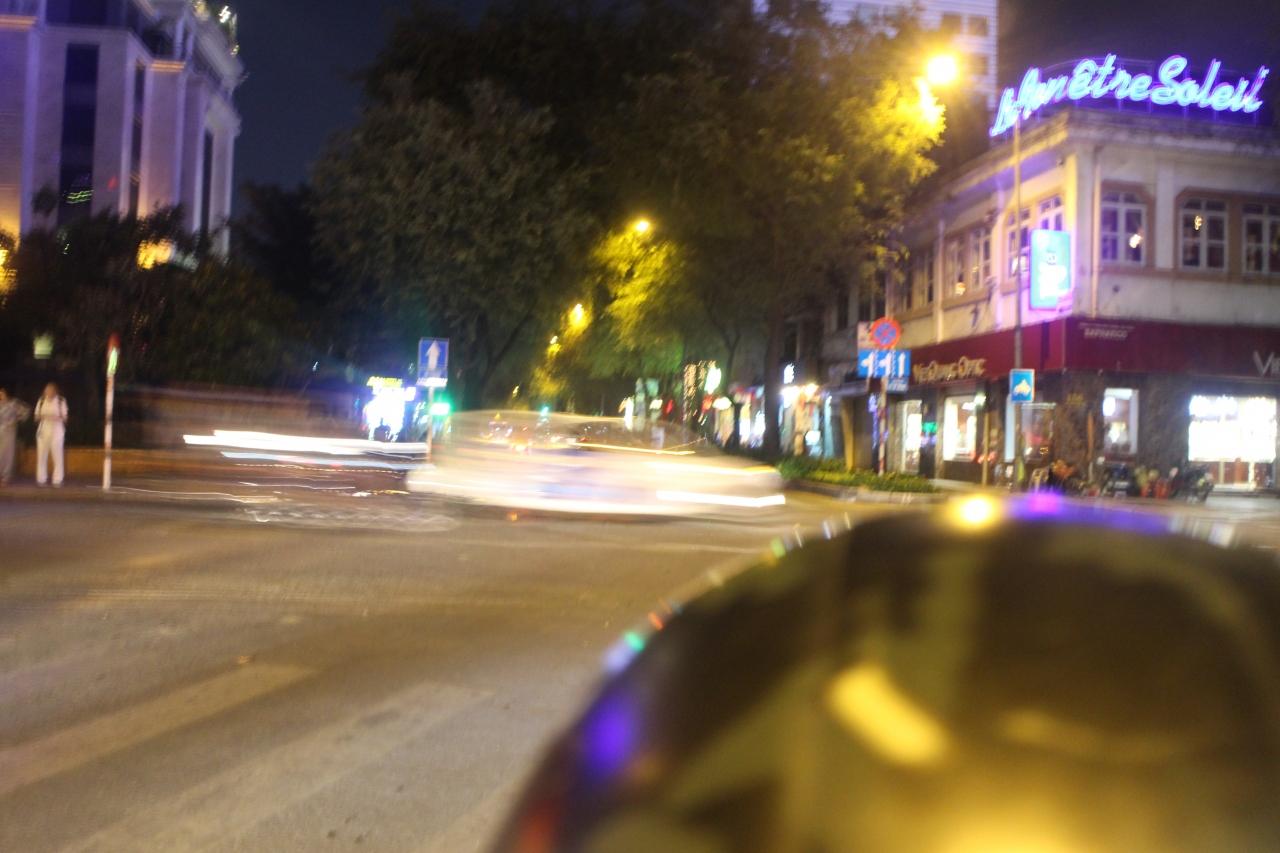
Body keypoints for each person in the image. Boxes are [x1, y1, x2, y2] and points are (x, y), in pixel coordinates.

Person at [33, 382, 68, 486]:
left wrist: (56, 417)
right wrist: (42, 416)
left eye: (51, 390)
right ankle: (41, 479)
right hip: (43, 432)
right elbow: (36, 417)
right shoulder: (41, 401)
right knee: (41, 456)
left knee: (57, 456)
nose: (48, 392)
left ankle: (57, 479)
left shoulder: (61, 401)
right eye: (47, 390)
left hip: (57, 432)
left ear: (55, 391)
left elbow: (65, 418)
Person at [0, 387, 31, 485]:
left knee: (7, 454)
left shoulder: (13, 403)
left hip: (9, 431)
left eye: (2, 393)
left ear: (6, 393)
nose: (1, 395)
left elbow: (26, 411)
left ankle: (5, 477)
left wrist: (16, 421)